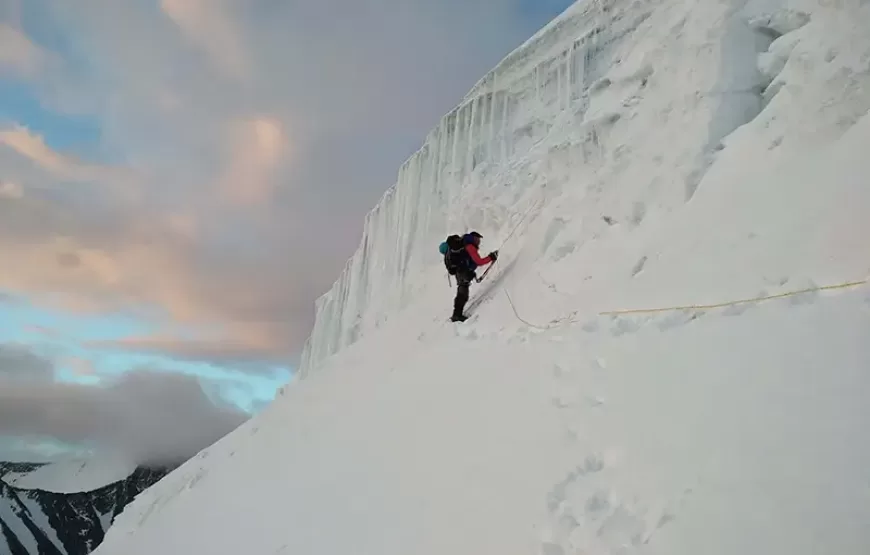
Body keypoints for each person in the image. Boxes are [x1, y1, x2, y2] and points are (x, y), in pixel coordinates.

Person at [440, 231, 498, 322]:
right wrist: (491, 257)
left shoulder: (464, 245)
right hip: (462, 272)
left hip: (461, 271)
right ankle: (457, 315)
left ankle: (457, 314)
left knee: (462, 292)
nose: (479, 241)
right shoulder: (469, 246)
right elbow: (479, 261)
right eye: (478, 239)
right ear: (474, 238)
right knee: (463, 293)